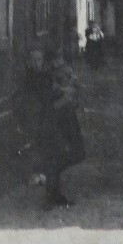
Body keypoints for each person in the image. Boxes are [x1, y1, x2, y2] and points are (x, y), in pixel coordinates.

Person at [24, 47, 85, 211]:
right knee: (58, 156)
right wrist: (64, 98)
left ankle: (53, 193)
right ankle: (51, 195)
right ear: (28, 62)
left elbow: (53, 93)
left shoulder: (44, 76)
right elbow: (45, 105)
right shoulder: (30, 80)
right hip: (47, 124)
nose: (37, 63)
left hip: (58, 121)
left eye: (39, 59)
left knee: (70, 154)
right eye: (34, 60)